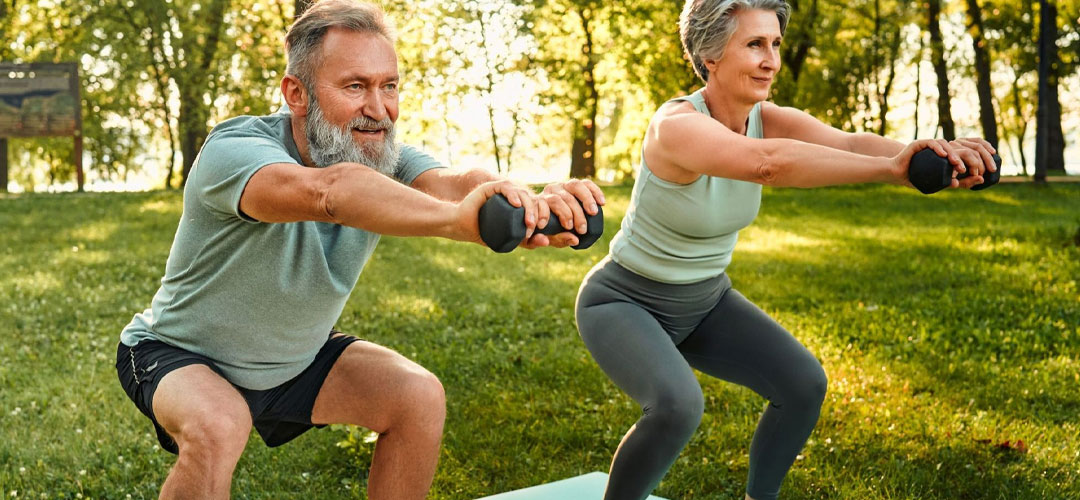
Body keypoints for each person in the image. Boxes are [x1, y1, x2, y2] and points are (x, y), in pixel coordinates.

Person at [114, 1, 604, 499]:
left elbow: (453, 183)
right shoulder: (236, 150)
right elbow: (329, 193)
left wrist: (530, 202)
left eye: (388, 86)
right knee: (220, 423)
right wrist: (459, 224)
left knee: (417, 397)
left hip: (293, 360)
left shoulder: (375, 149)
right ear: (296, 93)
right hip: (177, 353)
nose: (379, 108)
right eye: (355, 86)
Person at [573, 1, 997, 499]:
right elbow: (766, 165)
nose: (771, 59)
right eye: (755, 44)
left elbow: (851, 143)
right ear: (710, 56)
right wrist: (894, 171)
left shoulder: (766, 117)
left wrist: (934, 150)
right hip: (623, 301)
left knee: (802, 385)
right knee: (676, 405)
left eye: (774, 44)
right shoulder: (676, 125)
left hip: (704, 301)